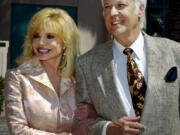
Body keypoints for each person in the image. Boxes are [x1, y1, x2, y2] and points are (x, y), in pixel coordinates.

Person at [75, 0, 180, 135]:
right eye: (107, 7)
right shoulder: (86, 64)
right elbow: (81, 123)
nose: (112, 12)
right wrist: (108, 128)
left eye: (121, 6)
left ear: (141, 9)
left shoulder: (175, 52)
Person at [5, 8, 96, 135]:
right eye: (36, 36)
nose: (41, 43)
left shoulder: (80, 76)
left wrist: (92, 112)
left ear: (65, 42)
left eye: (50, 36)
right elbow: (17, 130)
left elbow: (96, 122)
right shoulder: (17, 77)